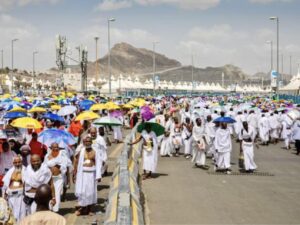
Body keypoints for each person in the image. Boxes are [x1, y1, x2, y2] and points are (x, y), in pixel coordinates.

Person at [73, 136, 102, 216]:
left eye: (89, 141)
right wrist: (74, 172)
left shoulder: (95, 151)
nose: (87, 143)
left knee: (90, 192)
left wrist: (99, 175)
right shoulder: (81, 151)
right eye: (86, 141)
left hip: (92, 174)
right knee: (82, 191)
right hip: (82, 174)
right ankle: (82, 208)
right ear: (84, 142)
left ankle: (90, 209)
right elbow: (76, 161)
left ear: (91, 142)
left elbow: (99, 163)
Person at [43, 143, 67, 213]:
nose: (55, 148)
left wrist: (54, 161)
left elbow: (64, 167)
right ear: (51, 148)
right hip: (50, 178)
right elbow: (44, 166)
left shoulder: (62, 156)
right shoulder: (47, 156)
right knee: (50, 194)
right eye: (54, 147)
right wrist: (51, 161)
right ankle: (50, 208)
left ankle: (56, 210)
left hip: (58, 178)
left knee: (57, 193)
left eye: (57, 147)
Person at [2, 155, 26, 222]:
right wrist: (4, 196)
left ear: (22, 162)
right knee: (12, 215)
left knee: (22, 215)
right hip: (11, 197)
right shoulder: (10, 171)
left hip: (21, 197)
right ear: (13, 163)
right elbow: (5, 185)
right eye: (15, 162)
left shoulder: (25, 170)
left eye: (19, 162)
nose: (17, 164)